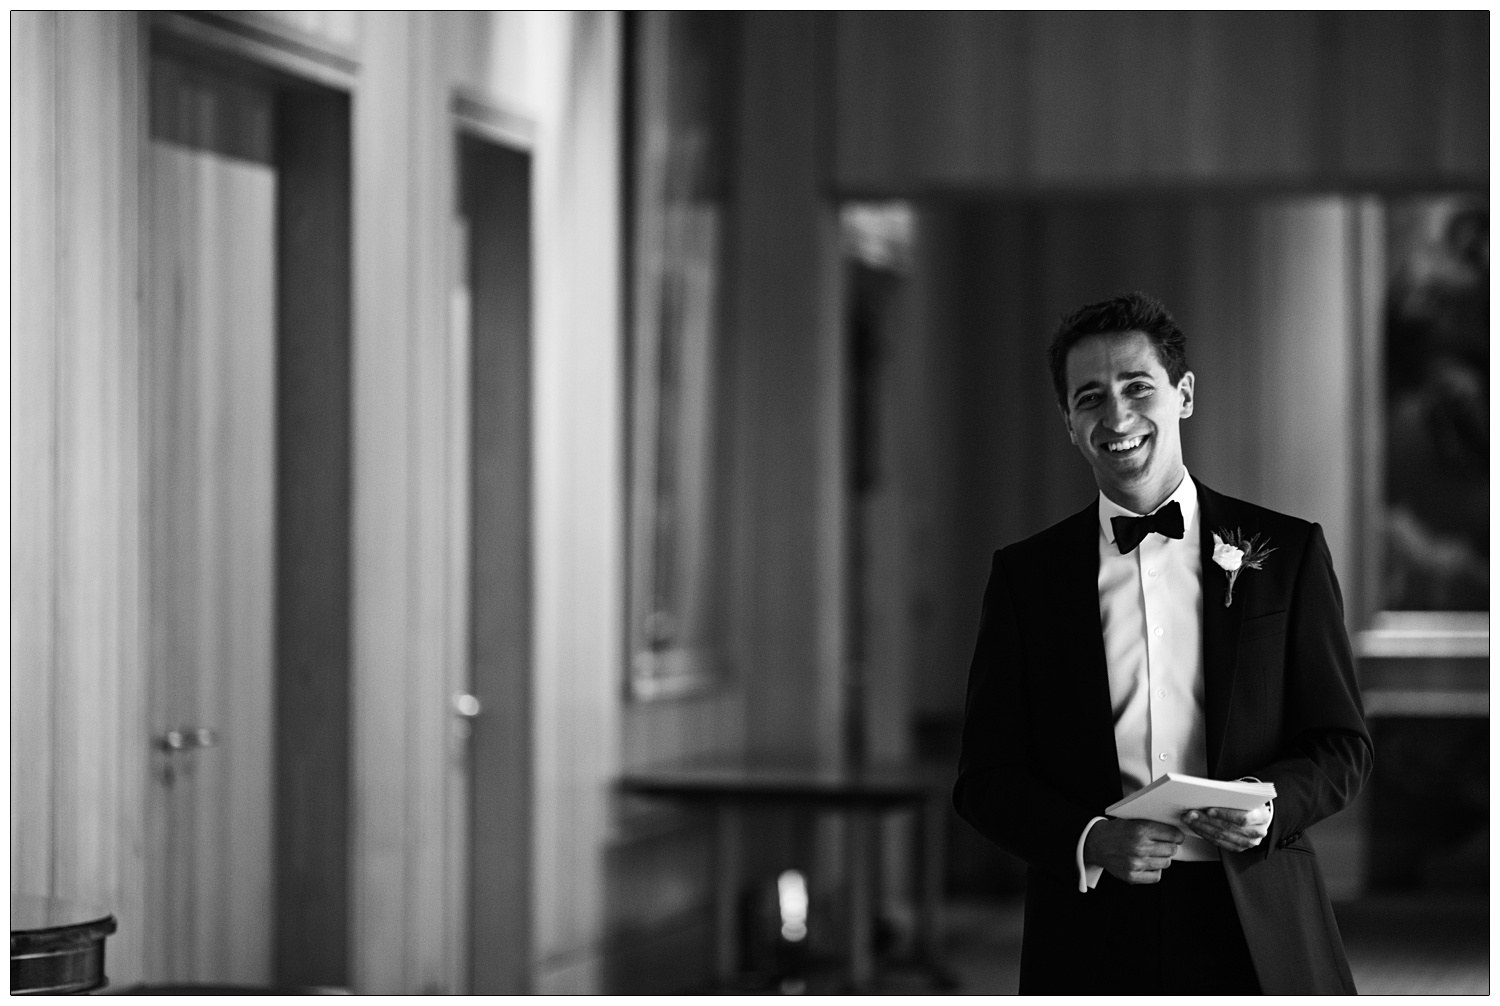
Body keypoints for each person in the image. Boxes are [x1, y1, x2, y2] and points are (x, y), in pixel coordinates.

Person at [952, 292, 1373, 993]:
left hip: (1259, 921)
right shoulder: (1026, 578)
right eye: (1090, 398)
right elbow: (985, 778)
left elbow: (1342, 745)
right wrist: (1089, 838)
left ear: (1184, 395)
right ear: (1068, 422)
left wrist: (1266, 803)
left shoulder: (1288, 553)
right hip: (1090, 929)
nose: (1116, 417)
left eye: (1137, 387)